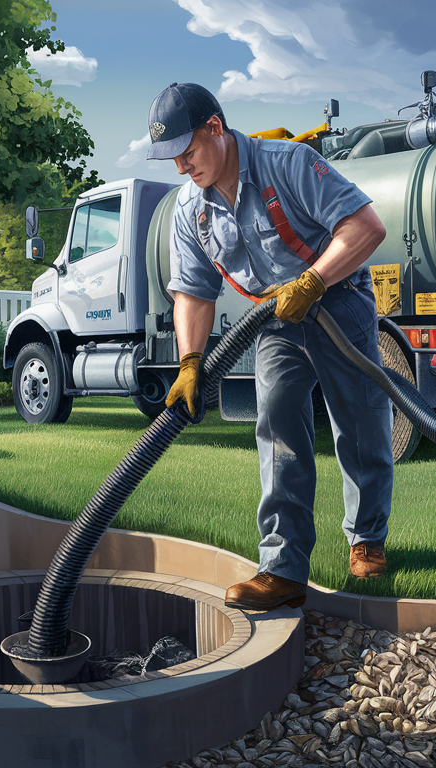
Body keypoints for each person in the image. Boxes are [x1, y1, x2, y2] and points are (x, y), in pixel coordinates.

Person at [146, 82, 395, 612]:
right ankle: (282, 568)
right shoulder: (192, 209)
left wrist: (313, 282)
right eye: (173, 159)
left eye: (187, 152)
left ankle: (366, 538)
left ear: (216, 129)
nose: (182, 168)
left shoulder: (289, 164)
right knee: (277, 427)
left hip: (337, 298)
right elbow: (192, 293)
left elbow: (366, 227)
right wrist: (191, 362)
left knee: (359, 421)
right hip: (275, 320)